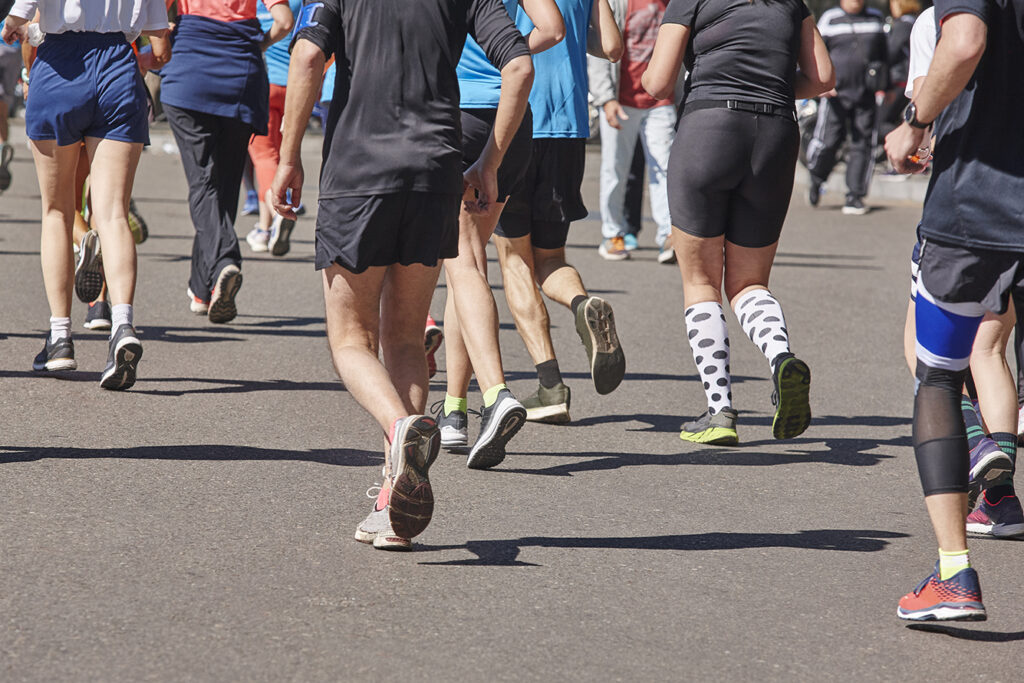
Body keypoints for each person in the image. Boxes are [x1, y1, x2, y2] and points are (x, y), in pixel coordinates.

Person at [270, 0, 534, 549]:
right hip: (435, 172)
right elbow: (520, 65)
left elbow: (308, 57)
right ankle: (395, 501)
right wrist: (488, 161)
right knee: (406, 336)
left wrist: (288, 156)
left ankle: (400, 431)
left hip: (359, 169)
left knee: (350, 338)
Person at [885, 0, 1023, 621]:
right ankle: (1000, 493)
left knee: (938, 374)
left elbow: (964, 39)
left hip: (979, 209)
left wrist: (914, 120)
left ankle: (952, 575)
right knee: (992, 351)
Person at [643, 0, 833, 445]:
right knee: (749, 283)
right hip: (775, 134)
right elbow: (823, 78)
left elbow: (656, 83)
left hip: (709, 128)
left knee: (701, 281)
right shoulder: (791, 3)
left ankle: (720, 411)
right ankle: (781, 356)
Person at [4, 0, 169, 390]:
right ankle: (122, 325)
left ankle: (60, 337)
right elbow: (161, 49)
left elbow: (18, 18)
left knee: (57, 212)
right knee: (111, 213)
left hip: (59, 69)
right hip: (118, 66)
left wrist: (16, 28)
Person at [434, 0, 563, 464]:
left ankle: (492, 396)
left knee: (464, 262)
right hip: (511, 120)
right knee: (463, 266)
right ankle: (453, 410)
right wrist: (505, 55)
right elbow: (553, 29)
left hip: (460, 112)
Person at [492, 0, 625, 424]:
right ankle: (583, 303)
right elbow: (611, 46)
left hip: (513, 114)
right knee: (550, 258)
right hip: (568, 125)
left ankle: (550, 386)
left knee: (513, 258)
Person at [159, 0, 294, 323]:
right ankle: (203, 288)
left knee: (204, 182)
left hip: (190, 72)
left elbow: (151, 16)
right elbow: (285, 22)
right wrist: (260, 42)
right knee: (226, 183)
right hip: (241, 73)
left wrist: (164, 40)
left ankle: (224, 261)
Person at [589, 0, 676, 263]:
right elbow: (600, 48)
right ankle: (613, 234)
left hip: (661, 101)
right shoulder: (617, 2)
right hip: (621, 99)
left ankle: (668, 235)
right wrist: (605, 98)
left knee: (666, 169)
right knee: (615, 169)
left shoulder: (674, 4)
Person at [805, 0, 887, 215]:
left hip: (866, 94)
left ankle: (855, 196)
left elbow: (884, 56)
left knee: (863, 144)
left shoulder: (876, 19)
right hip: (836, 94)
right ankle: (816, 178)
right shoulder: (830, 19)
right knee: (828, 142)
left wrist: (884, 85)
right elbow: (813, 51)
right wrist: (819, 83)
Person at [244, 0, 303, 257]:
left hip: (262, 82)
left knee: (263, 158)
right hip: (295, 85)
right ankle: (264, 229)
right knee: (280, 159)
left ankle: (279, 211)